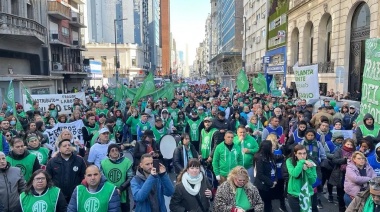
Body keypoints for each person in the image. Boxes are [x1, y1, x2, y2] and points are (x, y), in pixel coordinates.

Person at [46, 139, 87, 203]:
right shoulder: (52, 162)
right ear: (59, 149)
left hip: (75, 195)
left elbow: (84, 177)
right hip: (57, 195)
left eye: (69, 145)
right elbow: (48, 179)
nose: (67, 147)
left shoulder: (79, 160)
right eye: (64, 146)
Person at [101, 144, 133, 212]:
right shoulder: (103, 163)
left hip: (123, 192)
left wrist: (121, 189)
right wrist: (112, 189)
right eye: (112, 151)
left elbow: (130, 177)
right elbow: (102, 178)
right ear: (109, 153)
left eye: (116, 150)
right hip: (108, 192)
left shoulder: (126, 162)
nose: (115, 152)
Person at [286, 144, 318, 212]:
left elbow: (313, 181)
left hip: (307, 194)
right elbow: (294, 174)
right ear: (295, 154)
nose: (302, 156)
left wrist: (307, 170)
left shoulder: (311, 163)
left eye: (304, 153)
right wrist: (301, 162)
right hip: (294, 195)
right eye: (299, 153)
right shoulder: (289, 161)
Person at [329, 138, 356, 212]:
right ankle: (341, 209)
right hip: (341, 174)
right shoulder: (339, 151)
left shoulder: (355, 152)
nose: (349, 146)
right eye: (348, 144)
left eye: (351, 144)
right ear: (344, 144)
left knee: (350, 193)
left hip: (351, 175)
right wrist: (345, 160)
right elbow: (334, 160)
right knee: (340, 193)